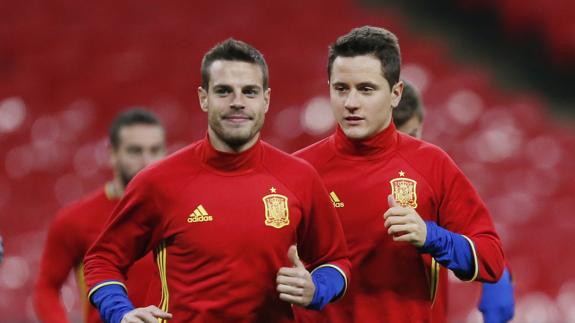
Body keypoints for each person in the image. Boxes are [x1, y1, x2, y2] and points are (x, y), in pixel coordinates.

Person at [83, 39, 351, 323]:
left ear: (266, 99)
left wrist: (317, 289)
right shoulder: (159, 181)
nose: (237, 102)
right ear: (203, 97)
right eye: (224, 91)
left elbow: (335, 260)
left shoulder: (300, 177)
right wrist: (120, 312)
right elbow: (103, 259)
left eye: (249, 92)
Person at [294, 26, 505, 323]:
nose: (351, 102)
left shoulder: (431, 164)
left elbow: (491, 259)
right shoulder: (296, 173)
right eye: (341, 88)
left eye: (366, 89)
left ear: (395, 94)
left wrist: (432, 236)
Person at [394, 81, 515, 323]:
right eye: (396, 138)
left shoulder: (434, 182)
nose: (408, 147)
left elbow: (485, 249)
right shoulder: (334, 186)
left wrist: (498, 277)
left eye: (414, 135)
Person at [33, 109, 167, 323]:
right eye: (135, 151)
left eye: (155, 150)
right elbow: (47, 288)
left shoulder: (182, 211)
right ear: (112, 153)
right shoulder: (75, 219)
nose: (147, 160)